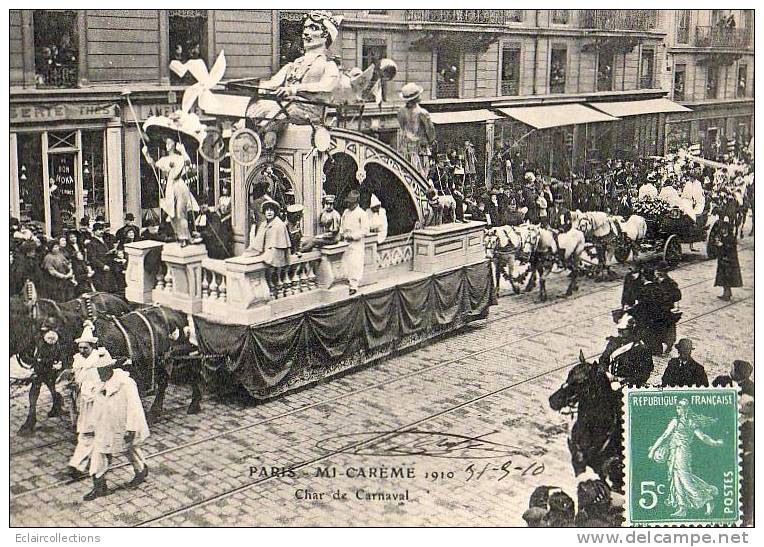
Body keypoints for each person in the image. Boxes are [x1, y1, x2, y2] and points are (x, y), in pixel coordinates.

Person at [245, 11, 341, 148]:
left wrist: (294, 89)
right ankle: (253, 150)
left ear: (325, 36)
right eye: (306, 28)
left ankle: (268, 156)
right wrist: (248, 87)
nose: (306, 33)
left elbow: (327, 87)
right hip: (287, 106)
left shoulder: (328, 65)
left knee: (276, 114)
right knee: (256, 108)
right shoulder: (294, 64)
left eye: (313, 28)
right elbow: (271, 84)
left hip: (308, 112)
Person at [84, 355, 150, 501]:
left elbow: (134, 407)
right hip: (105, 425)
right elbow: (92, 400)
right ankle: (99, 485)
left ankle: (141, 469)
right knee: (99, 451)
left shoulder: (125, 383)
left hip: (123, 424)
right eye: (98, 370)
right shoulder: (99, 383)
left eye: (102, 370)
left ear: (109, 369)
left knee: (130, 448)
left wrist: (131, 427)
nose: (100, 374)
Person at [648, 399, 723, 518]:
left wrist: (715, 443)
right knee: (676, 479)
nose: (679, 410)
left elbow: (703, 437)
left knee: (685, 478)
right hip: (673, 452)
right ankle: (682, 507)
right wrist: (653, 451)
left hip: (683, 452)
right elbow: (664, 436)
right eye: (677, 407)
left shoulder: (691, 422)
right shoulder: (675, 421)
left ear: (687, 409)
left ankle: (707, 500)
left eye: (681, 407)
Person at [66, 326, 106, 479]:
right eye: (80, 347)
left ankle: (79, 465)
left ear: (92, 347)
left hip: (97, 401)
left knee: (88, 432)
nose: (82, 350)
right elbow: (76, 378)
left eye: (85, 348)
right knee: (86, 431)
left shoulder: (98, 360)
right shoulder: (78, 360)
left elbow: (104, 381)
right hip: (84, 401)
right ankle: (79, 464)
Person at [17, 317, 66, 436]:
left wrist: (52, 363)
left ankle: (34, 418)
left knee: (44, 389)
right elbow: (29, 352)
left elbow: (58, 353)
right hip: (41, 369)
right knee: (44, 389)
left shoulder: (53, 338)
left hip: (48, 369)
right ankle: (53, 405)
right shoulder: (37, 338)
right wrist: (34, 360)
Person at [247, 199, 291, 291]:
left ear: (275, 212)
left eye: (271, 210)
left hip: (276, 252)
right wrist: (253, 251)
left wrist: (267, 254)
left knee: (271, 260)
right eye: (267, 210)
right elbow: (258, 241)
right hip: (264, 250)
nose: (269, 212)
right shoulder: (263, 224)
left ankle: (273, 281)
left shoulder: (279, 225)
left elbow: (280, 246)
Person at [600, 314, 654, 386]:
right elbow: (603, 359)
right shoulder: (614, 343)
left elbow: (644, 373)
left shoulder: (642, 348)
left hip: (629, 384)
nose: (620, 333)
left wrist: (621, 380)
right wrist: (607, 373)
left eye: (623, 330)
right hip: (609, 380)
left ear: (632, 330)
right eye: (619, 330)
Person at [397, 82, 435, 177]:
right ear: (416, 98)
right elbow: (431, 133)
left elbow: (402, 127)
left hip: (405, 149)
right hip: (420, 150)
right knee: (421, 177)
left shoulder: (401, 111)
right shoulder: (422, 113)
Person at [339, 190, 368, 295]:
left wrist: (353, 236)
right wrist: (341, 233)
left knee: (355, 263)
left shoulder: (362, 214)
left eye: (351, 202)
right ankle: (346, 283)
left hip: (356, 244)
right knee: (346, 263)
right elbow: (342, 225)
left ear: (356, 202)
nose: (349, 204)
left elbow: (365, 230)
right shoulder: (346, 212)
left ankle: (354, 286)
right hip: (346, 242)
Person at [654, 262, 682, 354]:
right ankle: (657, 347)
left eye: (661, 271)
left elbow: (677, 296)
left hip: (666, 310)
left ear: (665, 272)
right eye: (657, 271)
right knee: (656, 328)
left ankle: (669, 345)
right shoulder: (655, 281)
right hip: (657, 309)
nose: (658, 273)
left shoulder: (671, 283)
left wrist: (666, 298)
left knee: (669, 329)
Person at [713, 218, 742, 301]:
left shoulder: (731, 238)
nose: (723, 231)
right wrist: (717, 244)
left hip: (729, 262)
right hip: (723, 261)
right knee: (723, 278)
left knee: (727, 278)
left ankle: (727, 294)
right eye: (722, 229)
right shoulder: (723, 237)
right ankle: (727, 292)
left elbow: (730, 249)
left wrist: (721, 245)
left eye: (724, 229)